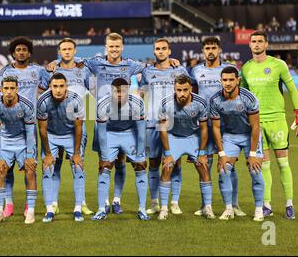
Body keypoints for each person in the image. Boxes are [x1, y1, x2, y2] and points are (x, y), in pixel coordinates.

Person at [47, 32, 179, 214]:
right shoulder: (96, 62)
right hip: (104, 119)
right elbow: (73, 58)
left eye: (117, 46)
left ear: (122, 48)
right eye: (111, 46)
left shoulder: (130, 64)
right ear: (106, 47)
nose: (114, 49)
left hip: (125, 119)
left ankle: (117, 199)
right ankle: (105, 202)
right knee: (104, 163)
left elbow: (150, 66)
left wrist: (171, 61)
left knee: (121, 162)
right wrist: (56, 63)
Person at [241, 30, 298, 219]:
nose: (256, 44)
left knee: (283, 163)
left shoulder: (278, 65)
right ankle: (267, 204)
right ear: (249, 44)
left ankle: (289, 204)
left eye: (260, 41)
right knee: (264, 165)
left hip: (277, 120)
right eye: (253, 41)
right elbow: (244, 96)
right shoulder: (245, 68)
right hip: (257, 123)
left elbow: (292, 89)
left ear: (266, 44)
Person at [190, 37, 246, 217]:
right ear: (203, 51)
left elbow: (239, 95)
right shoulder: (196, 71)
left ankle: (234, 204)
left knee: (229, 164)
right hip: (204, 124)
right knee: (204, 163)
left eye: (214, 47)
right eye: (207, 48)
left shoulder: (229, 70)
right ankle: (205, 204)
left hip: (226, 125)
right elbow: (193, 96)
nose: (211, 51)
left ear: (219, 50)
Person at [0, 36, 50, 218]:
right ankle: (9, 205)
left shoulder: (38, 71)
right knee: (7, 168)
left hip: (29, 126)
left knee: (30, 167)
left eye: (24, 50)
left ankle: (29, 206)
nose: (21, 52)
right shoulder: (4, 71)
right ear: (13, 53)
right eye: (18, 50)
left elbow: (46, 89)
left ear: (29, 53)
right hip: (9, 127)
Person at [139, 38, 189, 216]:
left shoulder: (179, 70)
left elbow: (188, 93)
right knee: (153, 163)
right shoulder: (147, 72)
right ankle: (154, 202)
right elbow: (141, 93)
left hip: (174, 123)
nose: (160, 51)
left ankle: (174, 202)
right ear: (154, 52)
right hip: (152, 122)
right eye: (157, 49)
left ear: (169, 51)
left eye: (164, 49)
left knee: (174, 163)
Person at [45, 38, 94, 216]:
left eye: (70, 49)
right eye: (63, 49)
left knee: (78, 164)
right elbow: (42, 93)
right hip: (55, 125)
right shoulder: (52, 70)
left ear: (75, 51)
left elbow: (95, 92)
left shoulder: (84, 69)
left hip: (77, 125)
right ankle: (53, 203)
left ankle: (81, 203)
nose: (66, 52)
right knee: (54, 166)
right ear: (59, 51)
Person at [210, 66, 265, 221]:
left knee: (255, 170)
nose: (227, 83)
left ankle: (259, 209)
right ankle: (229, 208)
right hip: (230, 136)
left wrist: (253, 154)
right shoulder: (215, 100)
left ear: (238, 80)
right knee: (224, 170)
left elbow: (255, 126)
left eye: (231, 80)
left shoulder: (249, 98)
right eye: (225, 80)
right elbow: (215, 128)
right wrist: (221, 154)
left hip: (250, 136)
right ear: (220, 81)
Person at [156, 74, 214, 220]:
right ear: (174, 89)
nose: (181, 94)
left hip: (192, 137)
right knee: (167, 166)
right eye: (179, 90)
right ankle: (164, 208)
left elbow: (204, 129)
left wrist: (202, 153)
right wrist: (168, 153)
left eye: (185, 90)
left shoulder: (200, 103)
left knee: (203, 166)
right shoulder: (166, 103)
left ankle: (207, 207)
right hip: (173, 136)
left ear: (190, 89)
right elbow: (162, 129)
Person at [92, 78, 150, 221]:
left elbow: (142, 132)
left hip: (129, 132)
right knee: (104, 168)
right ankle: (101, 209)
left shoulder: (137, 103)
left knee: (141, 167)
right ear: (111, 91)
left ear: (128, 90)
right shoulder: (103, 104)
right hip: (109, 133)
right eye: (115, 91)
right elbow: (102, 133)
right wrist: (105, 156)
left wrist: (141, 155)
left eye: (122, 91)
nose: (119, 94)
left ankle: (142, 209)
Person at [37, 73, 87, 223]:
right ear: (50, 87)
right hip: (51, 135)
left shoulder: (76, 99)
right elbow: (42, 130)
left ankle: (78, 209)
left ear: (66, 86)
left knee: (78, 168)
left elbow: (79, 128)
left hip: (71, 135)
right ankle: (49, 210)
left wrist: (77, 153)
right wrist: (47, 154)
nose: (58, 90)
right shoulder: (43, 101)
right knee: (47, 169)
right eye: (55, 86)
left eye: (61, 86)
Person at [0, 76, 37, 224]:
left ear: (17, 89)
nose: (9, 92)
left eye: (12, 88)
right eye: (6, 88)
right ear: (1, 90)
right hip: (5, 143)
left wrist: (30, 155)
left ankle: (30, 212)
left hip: (23, 142)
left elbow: (30, 132)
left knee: (30, 171)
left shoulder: (26, 105)